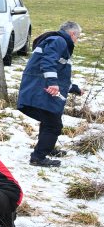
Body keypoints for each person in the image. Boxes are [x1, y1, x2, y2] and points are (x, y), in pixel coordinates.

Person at [17, 21, 83, 167]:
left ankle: (48, 147)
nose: (76, 40)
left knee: (49, 120)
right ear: (72, 34)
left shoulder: (56, 41)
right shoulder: (59, 41)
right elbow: (48, 62)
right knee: (53, 124)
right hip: (41, 89)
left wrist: (74, 88)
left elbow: (59, 74)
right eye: (77, 37)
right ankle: (38, 157)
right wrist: (52, 82)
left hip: (41, 87)